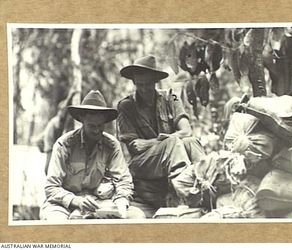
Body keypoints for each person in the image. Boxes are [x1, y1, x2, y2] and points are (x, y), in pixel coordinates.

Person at [117, 55, 205, 217]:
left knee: (191, 142)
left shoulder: (170, 97)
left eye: (148, 84)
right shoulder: (126, 106)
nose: (144, 89)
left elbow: (186, 131)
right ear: (135, 83)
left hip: (169, 152)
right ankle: (186, 191)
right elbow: (135, 147)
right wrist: (164, 142)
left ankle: (207, 183)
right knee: (173, 142)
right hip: (142, 164)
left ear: (155, 82)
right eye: (140, 85)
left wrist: (154, 141)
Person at [40, 90, 145, 220]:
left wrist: (121, 200)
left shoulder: (111, 145)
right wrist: (75, 201)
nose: (96, 131)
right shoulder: (64, 145)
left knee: (136, 216)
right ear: (82, 120)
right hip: (63, 204)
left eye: (100, 126)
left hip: (97, 203)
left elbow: (123, 181)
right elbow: (51, 187)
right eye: (91, 126)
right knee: (57, 223)